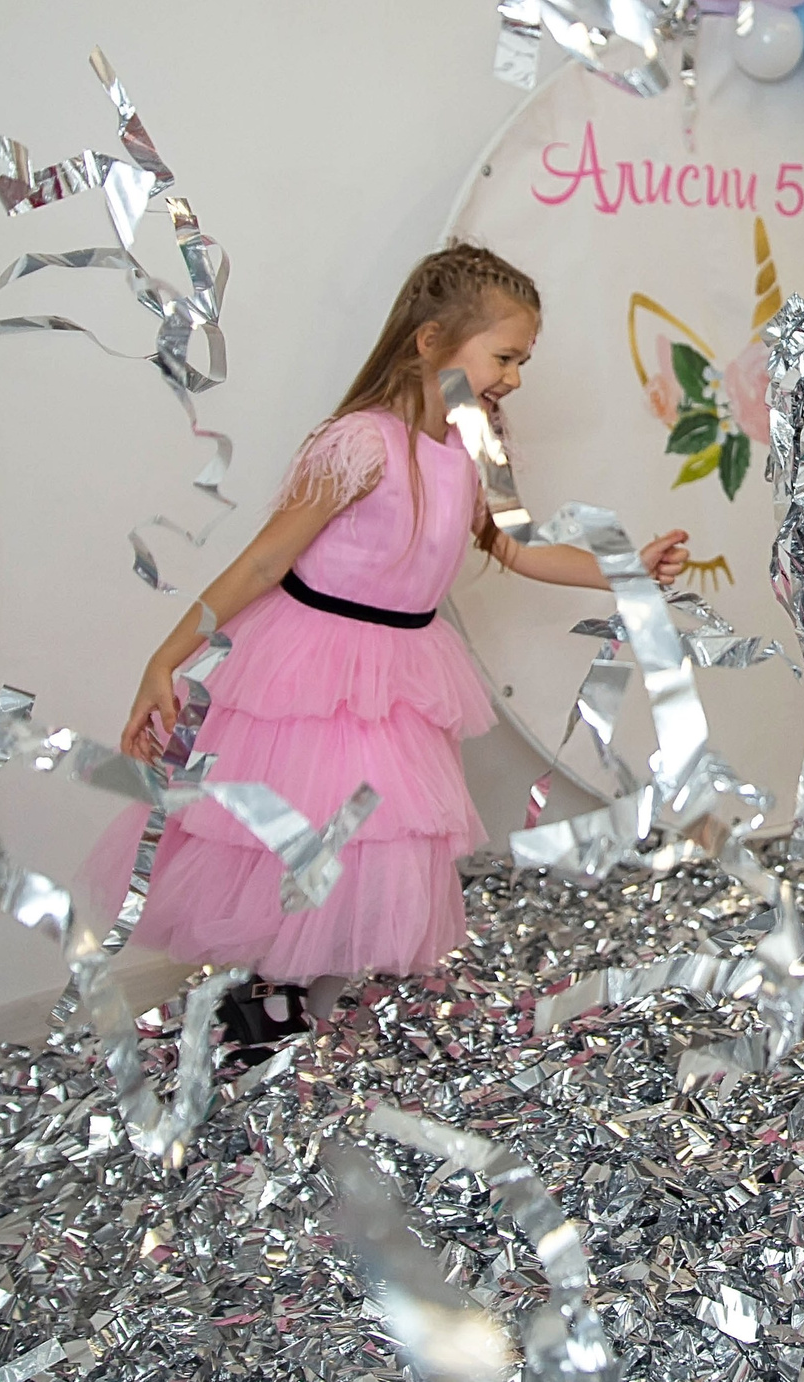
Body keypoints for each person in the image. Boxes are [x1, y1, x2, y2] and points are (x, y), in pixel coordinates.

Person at [84, 243, 689, 1056]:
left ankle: (305, 986)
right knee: (302, 828)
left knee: (375, 832)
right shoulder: (361, 445)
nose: (515, 377)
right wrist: (166, 657)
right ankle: (266, 998)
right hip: (316, 663)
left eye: (523, 360)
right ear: (432, 341)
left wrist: (627, 570)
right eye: (505, 356)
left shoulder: (473, 448)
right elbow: (266, 560)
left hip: (401, 668)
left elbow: (516, 547)